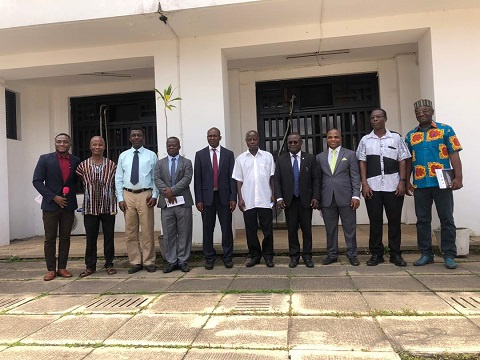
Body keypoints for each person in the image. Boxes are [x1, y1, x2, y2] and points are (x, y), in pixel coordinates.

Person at [405, 99, 463, 269]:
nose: (421, 114)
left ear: (431, 111)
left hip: (442, 181)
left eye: (424, 111)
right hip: (421, 182)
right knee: (422, 220)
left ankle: (449, 255)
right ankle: (426, 254)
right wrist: (407, 180)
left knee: (446, 218)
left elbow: (454, 155)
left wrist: (458, 178)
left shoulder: (445, 130)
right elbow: (408, 160)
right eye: (418, 113)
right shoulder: (411, 136)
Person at [356, 108, 411, 266]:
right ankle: (376, 254)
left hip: (393, 185)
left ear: (385, 118)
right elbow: (362, 162)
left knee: (394, 221)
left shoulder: (396, 138)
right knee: (375, 222)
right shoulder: (365, 140)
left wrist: (402, 181)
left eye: (379, 117)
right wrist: (364, 184)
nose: (375, 119)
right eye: (373, 117)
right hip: (372, 187)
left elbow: (403, 160)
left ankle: (395, 254)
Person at [33, 133, 80, 281]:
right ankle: (51, 269)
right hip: (50, 205)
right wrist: (53, 197)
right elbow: (37, 181)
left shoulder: (76, 160)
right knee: (50, 238)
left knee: (65, 237)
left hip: (68, 205)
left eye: (65, 142)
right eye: (59, 141)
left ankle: (62, 268)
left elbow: (77, 182)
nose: (62, 144)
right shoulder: (45, 159)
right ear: (55, 144)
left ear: (69, 144)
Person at [115, 127, 158, 274]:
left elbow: (155, 178)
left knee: (147, 230)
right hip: (128, 195)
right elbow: (119, 178)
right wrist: (120, 198)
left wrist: (155, 195)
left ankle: (149, 261)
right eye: (134, 135)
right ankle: (135, 261)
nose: (136, 137)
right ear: (130, 138)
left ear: (143, 137)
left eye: (139, 135)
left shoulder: (151, 155)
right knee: (130, 232)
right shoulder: (123, 156)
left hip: (145, 195)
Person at [194, 127, 237, 270]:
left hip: (224, 197)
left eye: (214, 136)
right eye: (209, 136)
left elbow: (232, 178)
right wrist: (198, 199)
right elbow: (198, 180)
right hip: (206, 199)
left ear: (220, 137)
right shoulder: (199, 155)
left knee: (226, 229)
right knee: (208, 229)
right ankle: (209, 257)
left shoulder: (228, 154)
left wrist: (233, 197)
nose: (212, 138)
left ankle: (228, 257)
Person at [275, 132, 320, 268]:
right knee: (292, 230)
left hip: (306, 200)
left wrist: (316, 197)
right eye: (290, 142)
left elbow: (316, 179)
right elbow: (277, 180)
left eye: (295, 142)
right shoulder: (281, 159)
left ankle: (307, 256)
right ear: (287, 144)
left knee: (307, 230)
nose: (293, 144)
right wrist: (279, 197)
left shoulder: (310, 158)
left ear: (301, 143)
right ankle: (294, 256)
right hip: (289, 201)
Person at [316, 129, 361, 266]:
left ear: (340, 138)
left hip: (346, 197)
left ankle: (352, 254)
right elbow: (317, 179)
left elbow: (355, 176)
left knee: (350, 228)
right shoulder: (320, 157)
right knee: (330, 229)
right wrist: (317, 198)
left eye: (336, 137)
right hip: (327, 197)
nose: (333, 139)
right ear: (326, 139)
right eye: (330, 137)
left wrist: (356, 196)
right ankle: (332, 254)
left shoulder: (350, 154)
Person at [232, 130, 276, 267]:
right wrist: (240, 197)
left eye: (254, 139)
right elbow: (238, 180)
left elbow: (272, 177)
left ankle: (268, 256)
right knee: (251, 230)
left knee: (267, 230)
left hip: (265, 198)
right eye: (249, 139)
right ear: (246, 141)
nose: (252, 142)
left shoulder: (267, 157)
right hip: (248, 199)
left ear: (258, 140)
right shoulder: (240, 159)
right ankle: (255, 256)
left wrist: (274, 194)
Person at [76, 136, 117, 277]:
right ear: (90, 146)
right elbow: (81, 181)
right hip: (90, 207)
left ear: (104, 147)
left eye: (100, 144)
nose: (97, 147)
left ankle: (109, 264)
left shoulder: (112, 165)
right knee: (91, 237)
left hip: (108, 206)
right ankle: (90, 266)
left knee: (109, 237)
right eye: (94, 144)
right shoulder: (82, 166)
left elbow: (116, 184)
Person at [154, 137, 194, 273]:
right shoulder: (159, 164)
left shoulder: (187, 162)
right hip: (166, 204)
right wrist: (167, 192)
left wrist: (172, 191)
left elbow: (187, 179)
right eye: (169, 145)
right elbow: (157, 179)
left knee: (184, 232)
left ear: (179, 146)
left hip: (183, 203)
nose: (171, 147)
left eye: (174, 145)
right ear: (166, 147)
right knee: (168, 233)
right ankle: (171, 261)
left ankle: (183, 260)